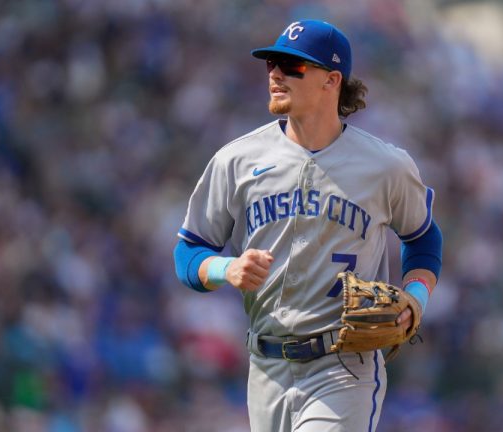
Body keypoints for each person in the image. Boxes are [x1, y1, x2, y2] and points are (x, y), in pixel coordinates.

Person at [173, 19, 443, 432]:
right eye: (272, 64)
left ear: (331, 80)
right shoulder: (237, 160)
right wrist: (227, 269)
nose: (276, 74)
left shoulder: (384, 166)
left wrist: (417, 297)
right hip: (266, 368)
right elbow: (188, 252)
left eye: (293, 65)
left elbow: (423, 237)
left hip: (344, 366)